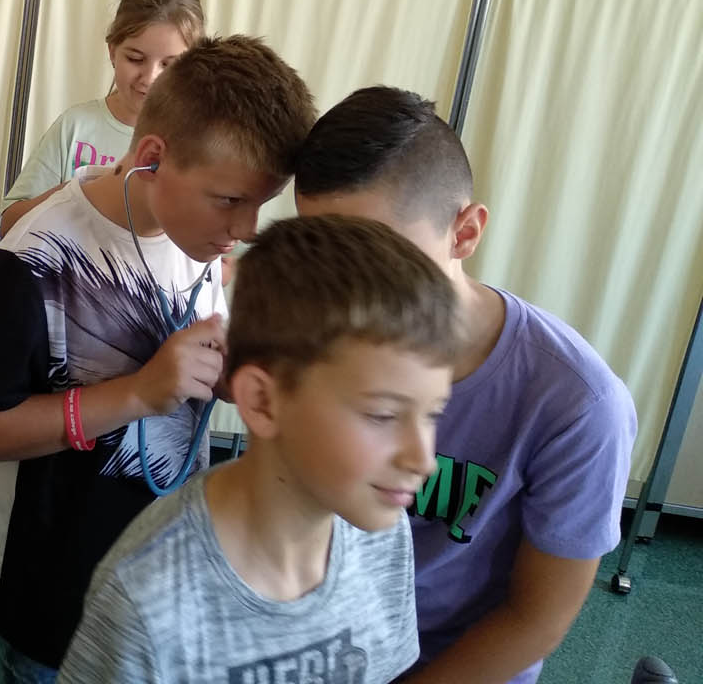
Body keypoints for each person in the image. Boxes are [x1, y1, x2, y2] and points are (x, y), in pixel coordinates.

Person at [0, 34, 317, 682]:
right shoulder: (35, 259)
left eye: (261, 204)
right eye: (231, 200)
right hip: (51, 597)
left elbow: (185, 363)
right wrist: (139, 394)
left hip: (158, 577)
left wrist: (229, 375)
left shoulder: (195, 238)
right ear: (152, 159)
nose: (247, 229)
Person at [294, 86, 638, 684]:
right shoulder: (312, 337)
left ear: (465, 233)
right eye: (320, 255)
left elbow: (537, 619)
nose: (344, 291)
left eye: (378, 258)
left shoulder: (578, 402)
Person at [61, 214, 459, 683]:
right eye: (383, 415)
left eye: (432, 414)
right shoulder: (149, 600)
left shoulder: (384, 533)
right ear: (262, 402)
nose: (423, 460)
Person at [0, 0, 204, 236]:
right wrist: (78, 194)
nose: (150, 78)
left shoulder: (198, 141)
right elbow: (9, 224)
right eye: (135, 58)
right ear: (112, 51)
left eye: (169, 64)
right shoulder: (75, 126)